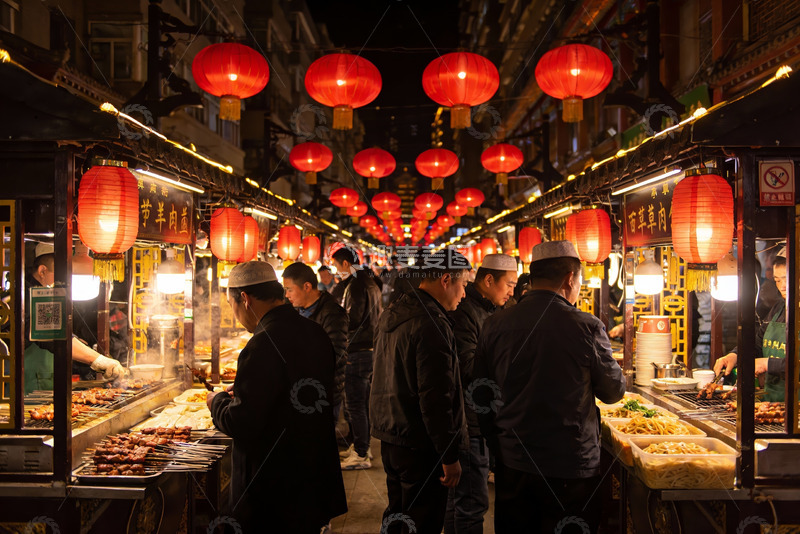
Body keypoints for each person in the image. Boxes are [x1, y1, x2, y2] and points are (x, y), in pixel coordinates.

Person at [474, 241, 626, 534]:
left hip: (514, 462)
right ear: (570, 278)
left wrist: (498, 449)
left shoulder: (494, 324)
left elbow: (481, 395)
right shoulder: (586, 326)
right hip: (570, 466)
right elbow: (613, 392)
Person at [207, 261, 347, 533]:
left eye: (232, 305)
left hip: (272, 489)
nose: (235, 314)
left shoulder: (261, 344)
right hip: (312, 479)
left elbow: (242, 423)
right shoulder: (314, 332)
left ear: (244, 299)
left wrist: (218, 403)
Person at [370, 248, 470, 534]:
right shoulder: (431, 323)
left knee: (398, 516)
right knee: (423, 521)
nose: (464, 295)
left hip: (392, 437)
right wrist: (450, 457)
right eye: (463, 285)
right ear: (446, 280)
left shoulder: (394, 312)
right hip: (420, 443)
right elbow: (435, 398)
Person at [445, 253, 518, 534]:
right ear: (488, 280)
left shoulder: (492, 309)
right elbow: (468, 368)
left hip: (482, 419)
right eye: (509, 284)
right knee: (471, 504)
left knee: (460, 501)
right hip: (469, 422)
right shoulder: (466, 313)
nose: (512, 291)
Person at [25, 242, 124, 394]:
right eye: (61, 275)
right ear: (42, 271)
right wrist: (97, 360)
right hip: (26, 386)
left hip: (44, 380)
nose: (66, 282)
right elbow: (52, 334)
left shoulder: (49, 294)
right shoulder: (29, 296)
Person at [331, 245, 383, 470]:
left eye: (336, 266)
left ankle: (361, 453)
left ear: (345, 264)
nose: (336, 272)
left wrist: (334, 321)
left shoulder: (354, 285)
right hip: (370, 350)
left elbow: (353, 319)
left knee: (355, 404)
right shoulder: (370, 282)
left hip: (358, 351)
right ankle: (362, 446)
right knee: (361, 403)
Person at [714, 247, 789, 401]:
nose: (782, 286)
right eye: (777, 280)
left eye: (787, 279)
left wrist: (768, 364)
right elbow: (757, 344)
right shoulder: (778, 309)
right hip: (773, 405)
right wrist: (735, 355)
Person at [282, 262, 348, 423]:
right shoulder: (295, 312)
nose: (287, 295)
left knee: (321, 441)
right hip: (300, 391)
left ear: (306, 286)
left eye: (290, 290)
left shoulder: (332, 314)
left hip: (323, 392)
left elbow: (336, 355)